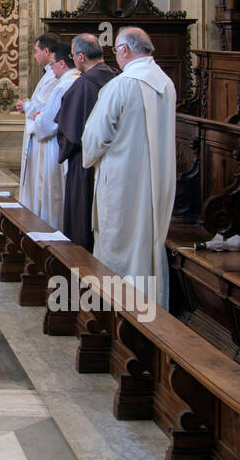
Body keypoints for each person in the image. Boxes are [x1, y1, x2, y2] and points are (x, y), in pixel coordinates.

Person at [82, 27, 176, 308]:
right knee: (147, 239)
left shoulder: (122, 85)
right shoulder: (166, 83)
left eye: (116, 50)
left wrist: (91, 157)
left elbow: (95, 137)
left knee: (118, 243)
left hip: (123, 182)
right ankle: (151, 303)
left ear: (124, 50)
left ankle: (115, 307)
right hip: (157, 179)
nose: (116, 56)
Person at [55, 35, 116, 249]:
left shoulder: (83, 84)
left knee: (81, 215)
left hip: (83, 162)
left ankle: (80, 264)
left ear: (81, 56)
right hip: (111, 161)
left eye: (73, 56)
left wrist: (63, 147)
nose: (74, 60)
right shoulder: (116, 78)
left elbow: (68, 130)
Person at [32, 43, 80, 228]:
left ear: (61, 63)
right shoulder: (78, 80)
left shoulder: (64, 85)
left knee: (54, 193)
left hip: (55, 144)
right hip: (68, 143)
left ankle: (52, 230)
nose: (51, 69)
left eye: (52, 65)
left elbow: (47, 122)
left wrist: (36, 116)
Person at [15, 33, 59, 212]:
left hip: (46, 141)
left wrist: (27, 106)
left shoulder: (55, 77)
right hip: (40, 137)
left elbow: (45, 112)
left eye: (36, 51)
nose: (34, 55)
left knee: (42, 189)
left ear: (46, 51)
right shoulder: (49, 74)